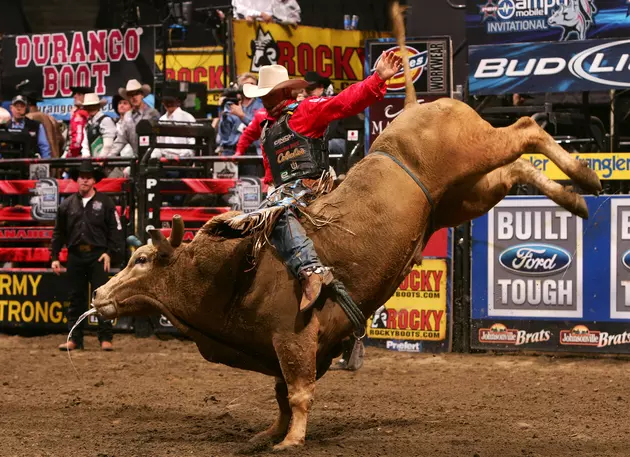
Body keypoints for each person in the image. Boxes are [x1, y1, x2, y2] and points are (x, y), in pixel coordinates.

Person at [242, 51, 402, 310]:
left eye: (268, 93)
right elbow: (271, 169)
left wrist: (376, 79)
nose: (263, 100)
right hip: (283, 190)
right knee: (254, 223)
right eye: (263, 95)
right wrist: (268, 183)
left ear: (284, 93)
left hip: (311, 187)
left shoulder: (305, 111)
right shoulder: (267, 129)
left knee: (276, 212)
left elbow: (342, 103)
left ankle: (310, 269)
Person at [52, 161, 123, 351]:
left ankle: (105, 337)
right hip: (75, 255)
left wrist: (109, 252)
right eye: (82, 176)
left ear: (93, 181)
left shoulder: (106, 203)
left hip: (98, 255)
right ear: (77, 179)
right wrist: (55, 256)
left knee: (102, 297)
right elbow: (58, 232)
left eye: (88, 177)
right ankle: (74, 338)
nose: (85, 180)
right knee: (76, 297)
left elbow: (115, 230)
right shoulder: (67, 205)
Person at [107, 79, 160, 159]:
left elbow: (158, 136)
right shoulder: (127, 116)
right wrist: (109, 157)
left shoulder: (152, 113)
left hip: (152, 157)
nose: (133, 97)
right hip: (136, 157)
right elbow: (121, 139)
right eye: (130, 95)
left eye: (136, 94)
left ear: (142, 95)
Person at [151, 86, 197, 159]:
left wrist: (181, 157)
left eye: (171, 101)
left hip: (182, 159)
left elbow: (192, 144)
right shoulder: (161, 120)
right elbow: (158, 142)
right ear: (163, 103)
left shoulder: (187, 118)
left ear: (178, 101)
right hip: (164, 160)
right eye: (166, 101)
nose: (169, 104)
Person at [24, 91, 64, 158]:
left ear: (27, 103)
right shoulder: (51, 118)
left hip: (40, 161)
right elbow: (61, 140)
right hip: (55, 160)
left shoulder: (29, 118)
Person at [66, 86, 91, 157]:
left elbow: (78, 139)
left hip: (79, 154)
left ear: (86, 98)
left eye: (79, 94)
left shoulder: (80, 114)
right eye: (75, 94)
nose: (75, 96)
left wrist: (70, 155)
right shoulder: (78, 112)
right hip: (86, 152)